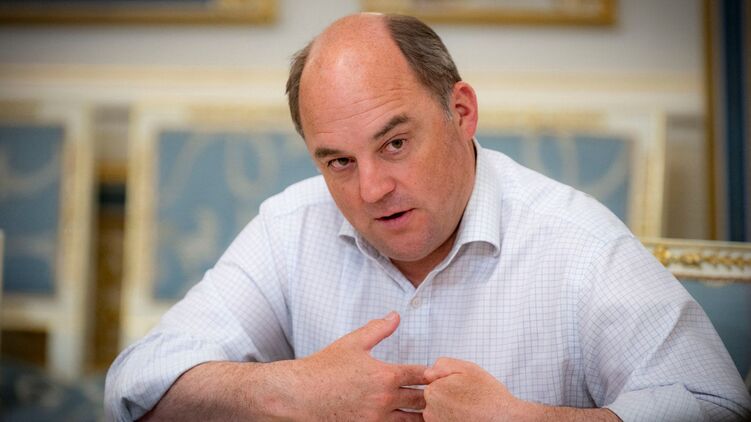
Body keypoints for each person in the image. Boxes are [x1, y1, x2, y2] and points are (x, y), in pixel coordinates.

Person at [105, 13, 751, 421]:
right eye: (338, 161)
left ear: (460, 112)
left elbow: (717, 404)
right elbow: (133, 386)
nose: (372, 190)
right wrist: (291, 392)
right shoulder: (289, 229)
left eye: (394, 143)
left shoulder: (577, 242)